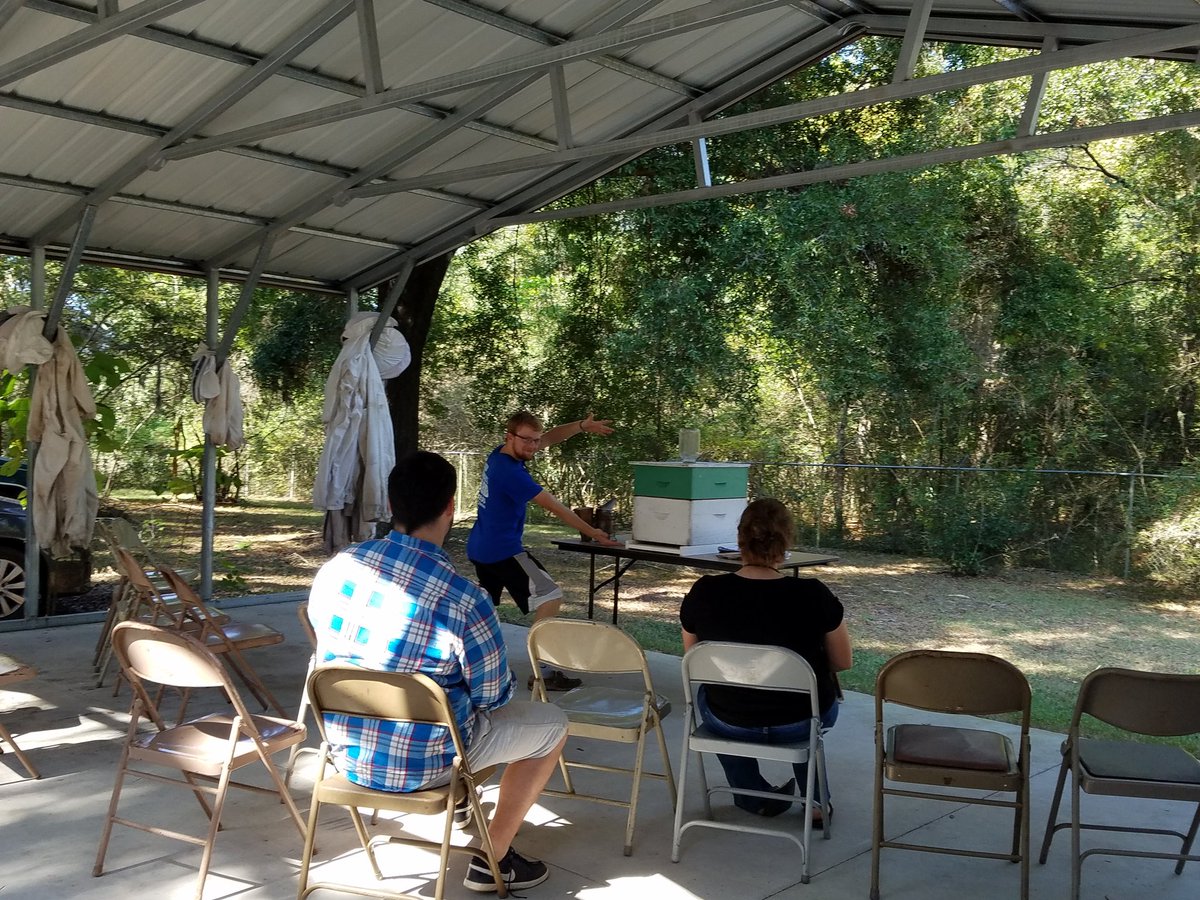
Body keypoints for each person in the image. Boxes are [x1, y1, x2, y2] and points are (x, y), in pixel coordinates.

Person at [308, 450, 569, 893]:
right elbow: (493, 697)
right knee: (551, 726)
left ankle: (465, 807)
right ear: (450, 507)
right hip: (430, 764)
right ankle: (492, 858)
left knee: (453, 706)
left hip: (348, 755)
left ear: (390, 505)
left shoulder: (338, 569)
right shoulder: (465, 598)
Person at [678, 498, 852, 824]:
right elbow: (843, 661)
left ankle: (751, 796)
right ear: (786, 543)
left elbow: (694, 660)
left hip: (729, 720)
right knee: (813, 704)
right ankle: (816, 804)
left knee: (706, 696)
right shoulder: (813, 594)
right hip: (800, 721)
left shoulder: (704, 591)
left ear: (739, 540)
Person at [467, 411, 621, 691]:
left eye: (535, 440)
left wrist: (581, 425)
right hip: (502, 551)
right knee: (550, 595)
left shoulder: (500, 454)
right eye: (528, 440)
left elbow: (550, 437)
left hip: (480, 547)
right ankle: (543, 673)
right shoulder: (510, 473)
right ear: (509, 436)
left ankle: (474, 666)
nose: (534, 446)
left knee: (483, 610)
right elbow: (554, 506)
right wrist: (593, 532)